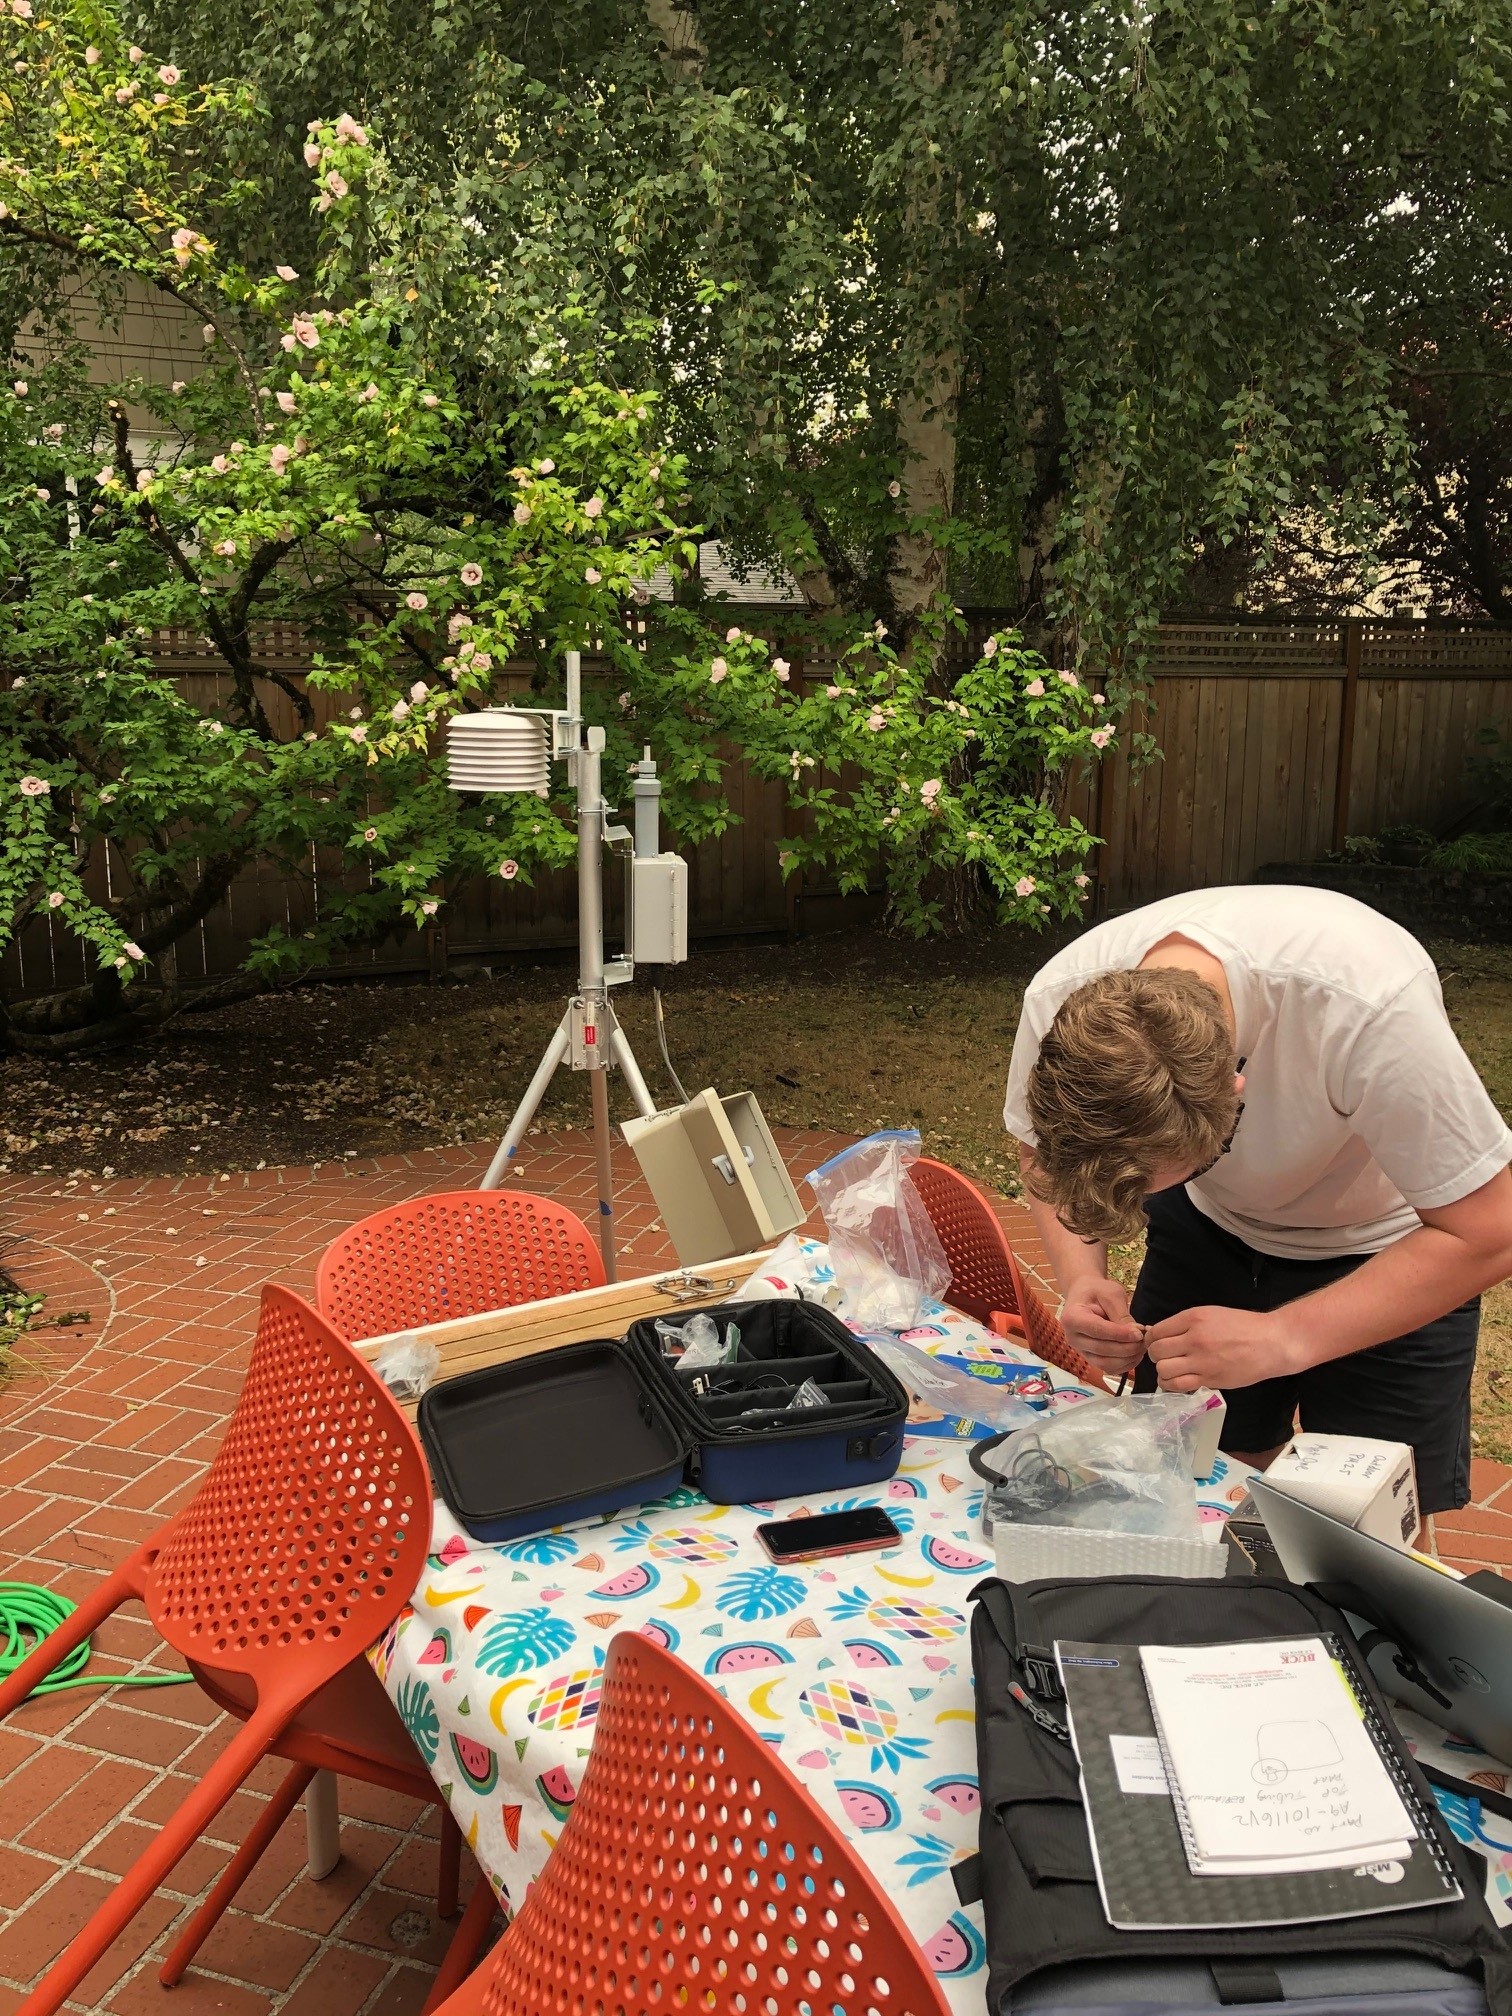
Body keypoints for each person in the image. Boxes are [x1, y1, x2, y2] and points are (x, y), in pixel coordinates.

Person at [1002, 884, 1512, 1514]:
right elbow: (1038, 1148)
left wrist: (1283, 1338)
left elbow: (1492, 1228)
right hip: (1210, 1230)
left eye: (1143, 1184)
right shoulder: (1060, 1002)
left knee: (1373, 1528)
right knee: (1181, 1478)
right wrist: (1080, 1277)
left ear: (1236, 1097)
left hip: (1391, 1244)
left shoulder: (1368, 1004)